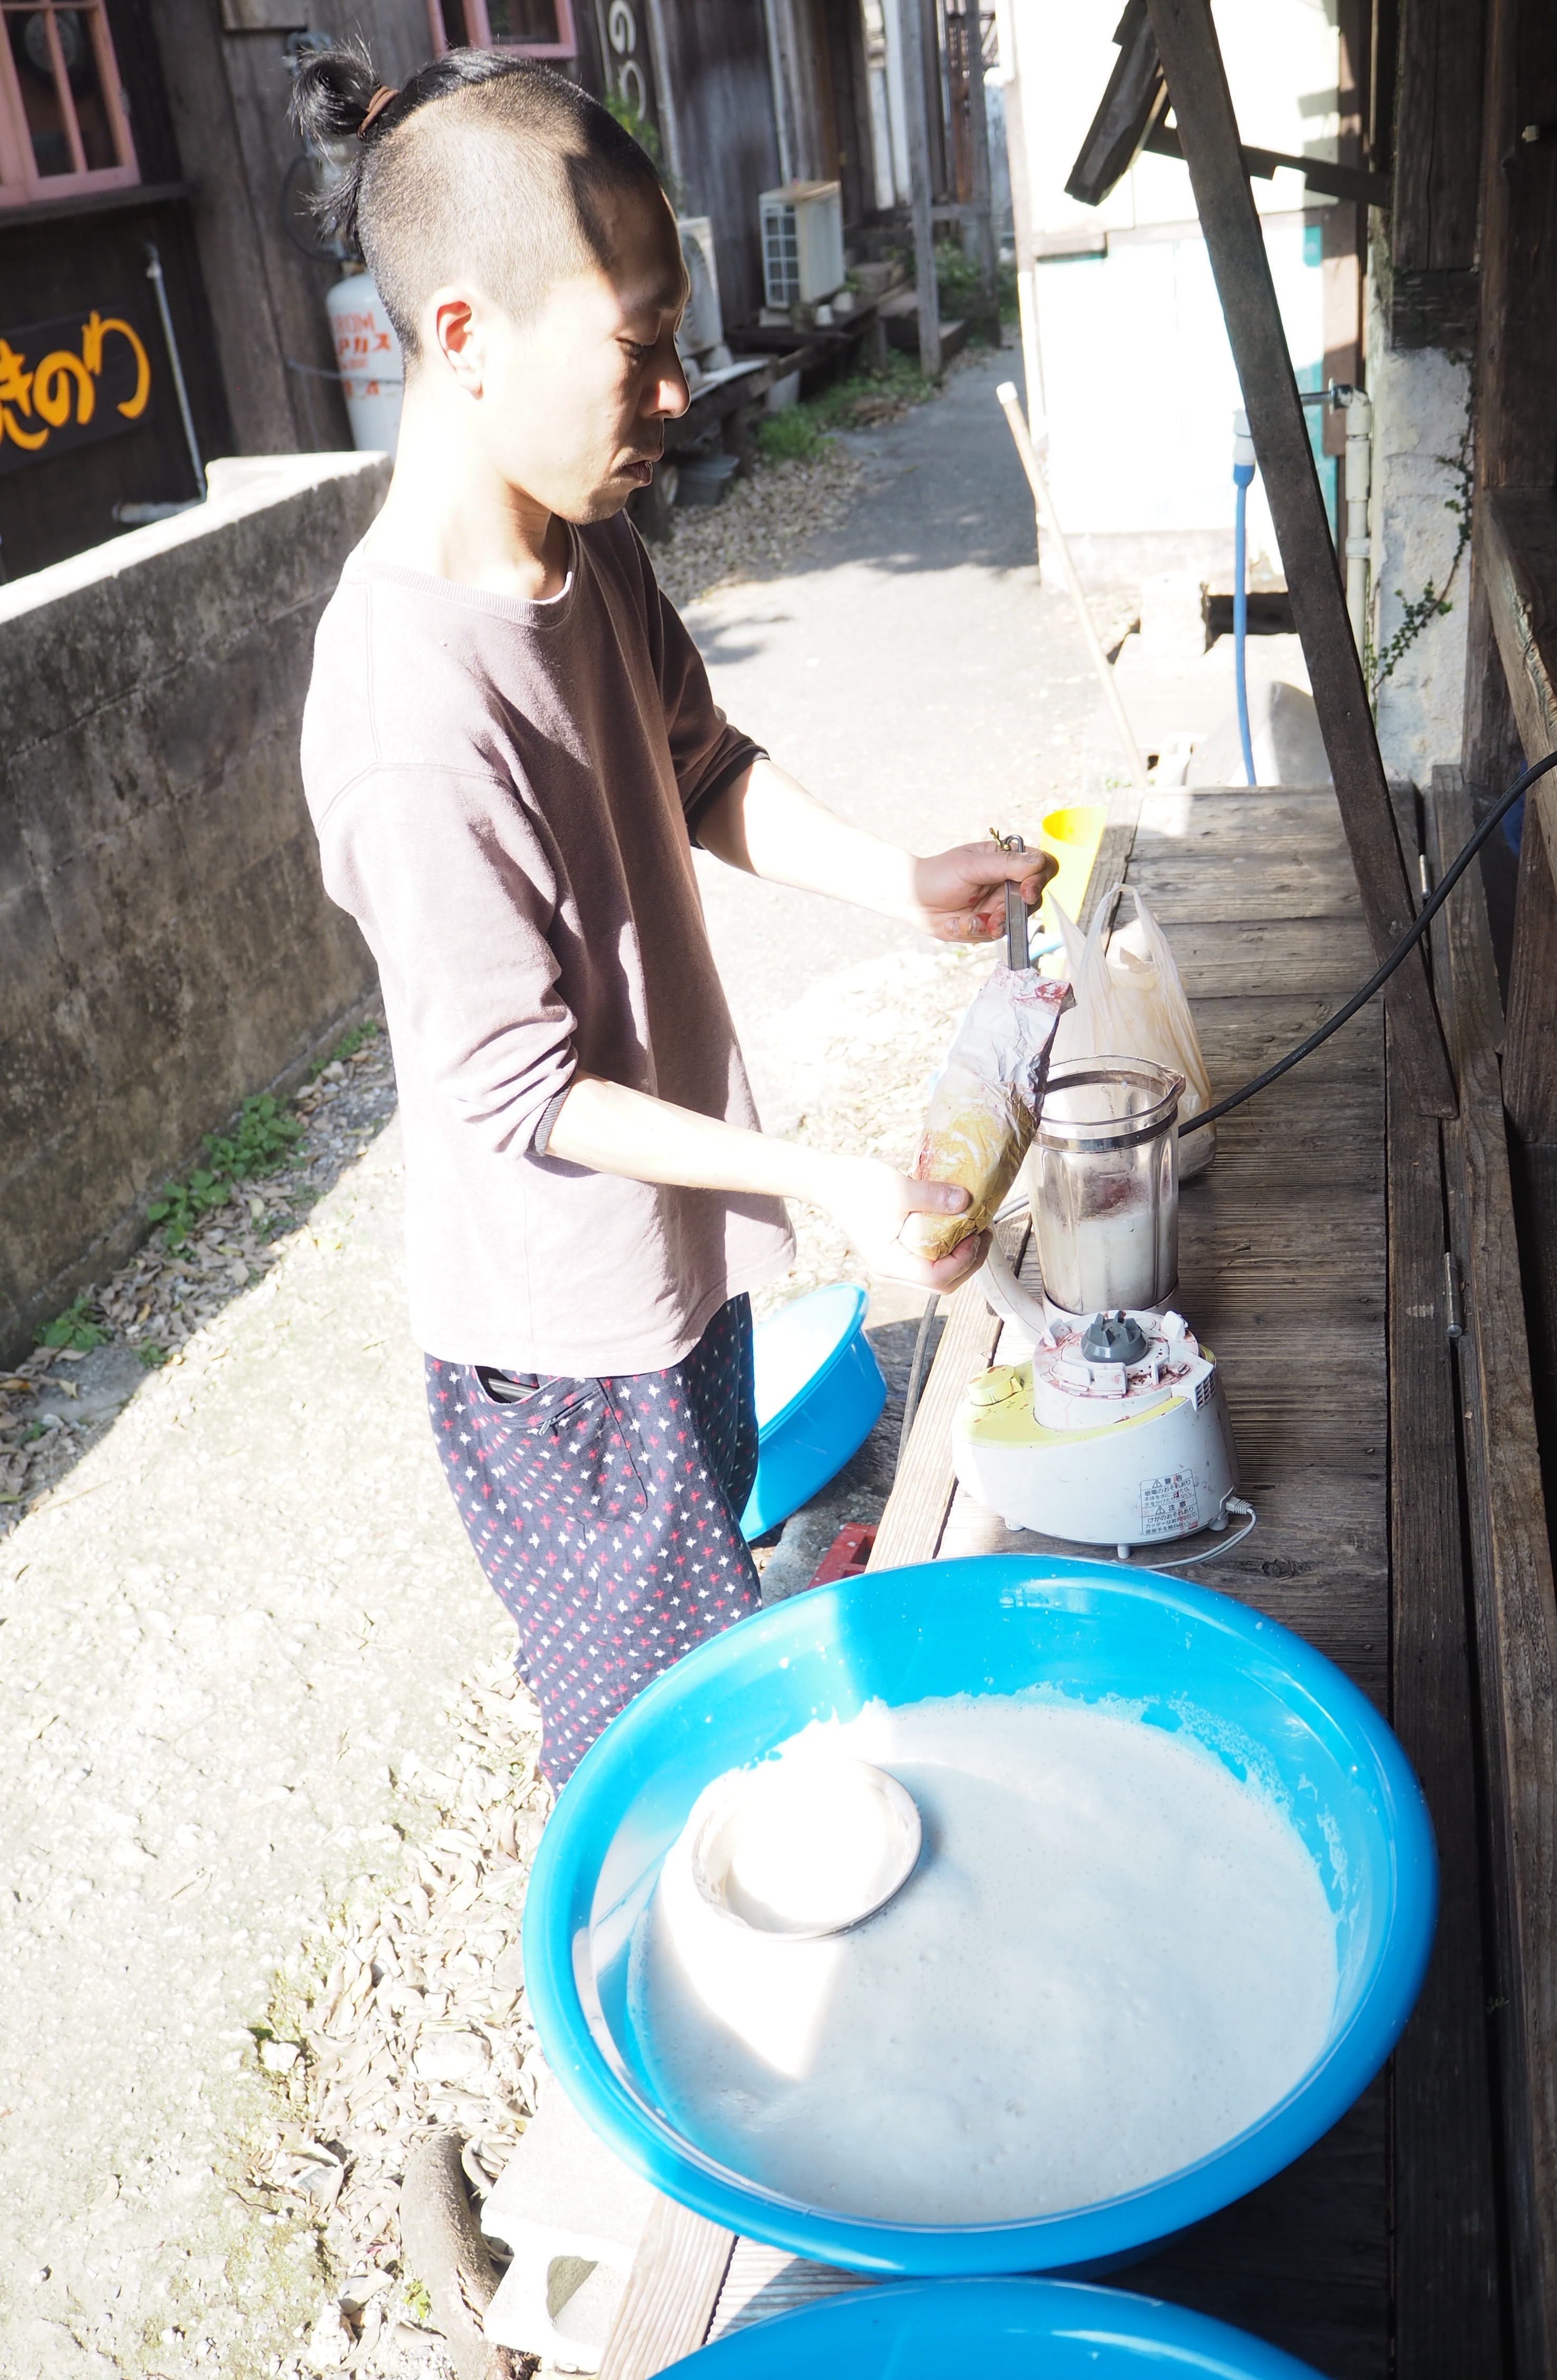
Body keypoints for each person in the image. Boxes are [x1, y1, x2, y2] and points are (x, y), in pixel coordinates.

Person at [292, 46, 1050, 1790]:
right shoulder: (410, 714)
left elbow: (700, 766)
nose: (681, 392)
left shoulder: (588, 547)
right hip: (560, 1350)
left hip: (673, 1269)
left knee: (709, 1615)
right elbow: (522, 1090)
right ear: (466, 337)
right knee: (655, 1745)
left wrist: (898, 876)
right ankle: (626, 1952)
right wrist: (831, 1181)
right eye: (639, 348)